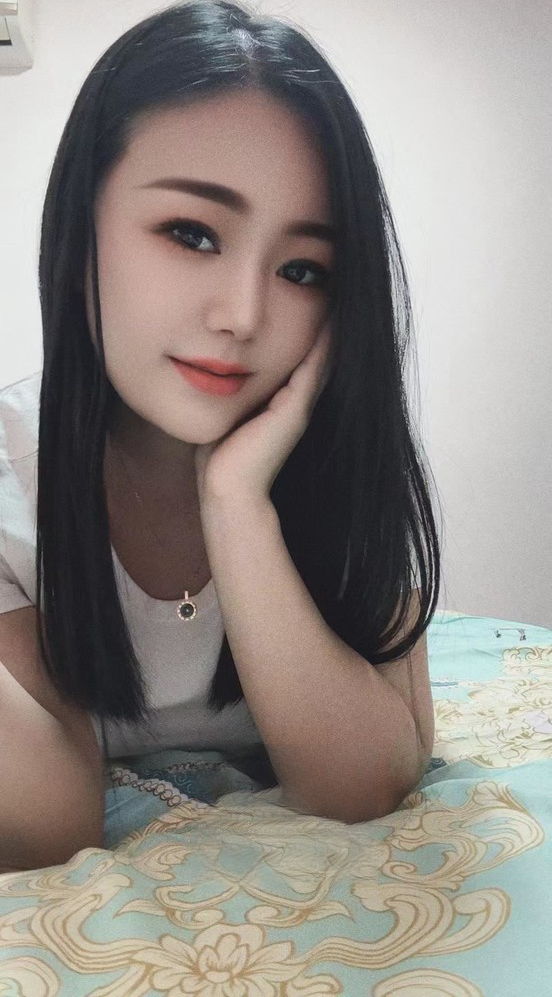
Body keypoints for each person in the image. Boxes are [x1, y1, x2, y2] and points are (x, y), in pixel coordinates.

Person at [0, 0, 443, 858]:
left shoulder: (346, 455)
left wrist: (237, 502)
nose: (242, 314)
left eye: (303, 269)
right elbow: (46, 819)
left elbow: (362, 786)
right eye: (191, 233)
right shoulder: (14, 473)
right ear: (80, 229)